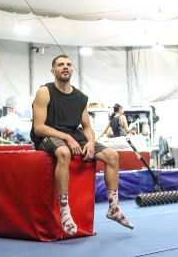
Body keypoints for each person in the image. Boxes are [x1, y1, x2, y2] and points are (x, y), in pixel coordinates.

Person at [31, 55, 133, 235]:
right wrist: (66, 138)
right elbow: (39, 127)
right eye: (60, 65)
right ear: (53, 70)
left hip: (73, 135)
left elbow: (87, 127)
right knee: (63, 152)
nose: (65, 67)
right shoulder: (44, 92)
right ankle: (64, 210)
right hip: (49, 135)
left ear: (72, 70)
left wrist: (92, 143)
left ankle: (113, 207)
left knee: (112, 156)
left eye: (69, 65)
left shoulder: (80, 97)